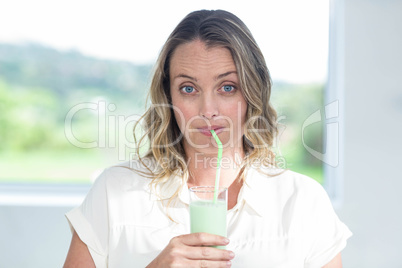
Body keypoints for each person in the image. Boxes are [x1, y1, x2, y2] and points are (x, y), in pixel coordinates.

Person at [64, 9, 352, 268]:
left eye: (227, 87)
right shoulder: (114, 193)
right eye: (188, 89)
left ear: (253, 92)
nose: (208, 111)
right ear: (168, 96)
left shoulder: (302, 202)